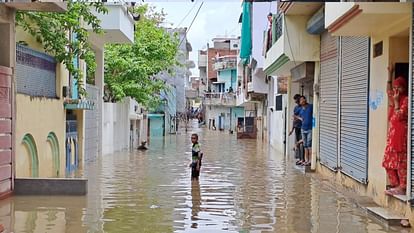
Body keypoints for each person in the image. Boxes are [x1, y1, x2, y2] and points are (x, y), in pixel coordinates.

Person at [383, 66, 409, 197]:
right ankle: (395, 185)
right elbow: (388, 91)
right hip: (392, 138)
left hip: (401, 137)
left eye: (399, 88)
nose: (395, 90)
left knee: (401, 163)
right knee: (387, 163)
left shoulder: (405, 100)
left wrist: (397, 102)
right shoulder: (393, 98)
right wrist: (390, 74)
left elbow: (400, 116)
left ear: (404, 88)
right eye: (395, 88)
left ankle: (402, 187)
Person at [296, 96, 313, 166]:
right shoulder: (300, 110)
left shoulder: (311, 106)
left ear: (305, 100)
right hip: (303, 129)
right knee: (305, 145)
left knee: (309, 145)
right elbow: (300, 118)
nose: (302, 101)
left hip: (310, 129)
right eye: (301, 100)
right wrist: (297, 117)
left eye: (303, 99)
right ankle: (306, 160)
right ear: (300, 102)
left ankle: (310, 161)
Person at [289, 94, 304, 165]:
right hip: (296, 128)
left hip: (302, 127)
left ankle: (302, 159)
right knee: (298, 144)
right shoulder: (295, 108)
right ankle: (300, 158)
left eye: (296, 99)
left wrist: (297, 117)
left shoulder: (303, 108)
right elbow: (294, 119)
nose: (295, 101)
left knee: (301, 143)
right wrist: (292, 130)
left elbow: (301, 118)